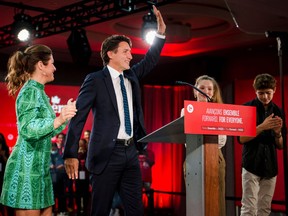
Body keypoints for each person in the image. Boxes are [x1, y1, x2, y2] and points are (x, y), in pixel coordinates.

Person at [63, 5, 166, 216]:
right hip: (105, 155)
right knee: (100, 210)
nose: (130, 55)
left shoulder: (132, 76)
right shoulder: (94, 80)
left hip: (130, 153)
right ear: (111, 53)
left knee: (135, 211)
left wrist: (160, 34)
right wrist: (70, 153)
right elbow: (78, 117)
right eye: (126, 51)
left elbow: (151, 59)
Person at [0, 44, 77, 216]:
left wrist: (65, 116)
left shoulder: (40, 93)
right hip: (26, 169)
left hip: (40, 169)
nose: (55, 68)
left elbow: (48, 130)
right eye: (52, 63)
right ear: (41, 65)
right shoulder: (29, 92)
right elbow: (28, 129)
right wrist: (59, 119)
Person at [238, 73, 284, 216]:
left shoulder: (278, 111)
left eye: (268, 93)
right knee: (248, 209)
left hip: (270, 166)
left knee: (264, 209)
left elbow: (280, 145)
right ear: (255, 91)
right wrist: (262, 127)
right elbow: (241, 139)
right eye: (261, 93)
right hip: (251, 164)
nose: (265, 97)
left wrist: (277, 133)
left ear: (274, 90)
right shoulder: (247, 108)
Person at [181, 75, 227, 216]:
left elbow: (222, 141)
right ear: (195, 92)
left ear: (213, 93)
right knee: (195, 202)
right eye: (201, 88)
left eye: (209, 89)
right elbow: (186, 138)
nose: (205, 91)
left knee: (217, 201)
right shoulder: (186, 111)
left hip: (214, 156)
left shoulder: (219, 111)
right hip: (193, 156)